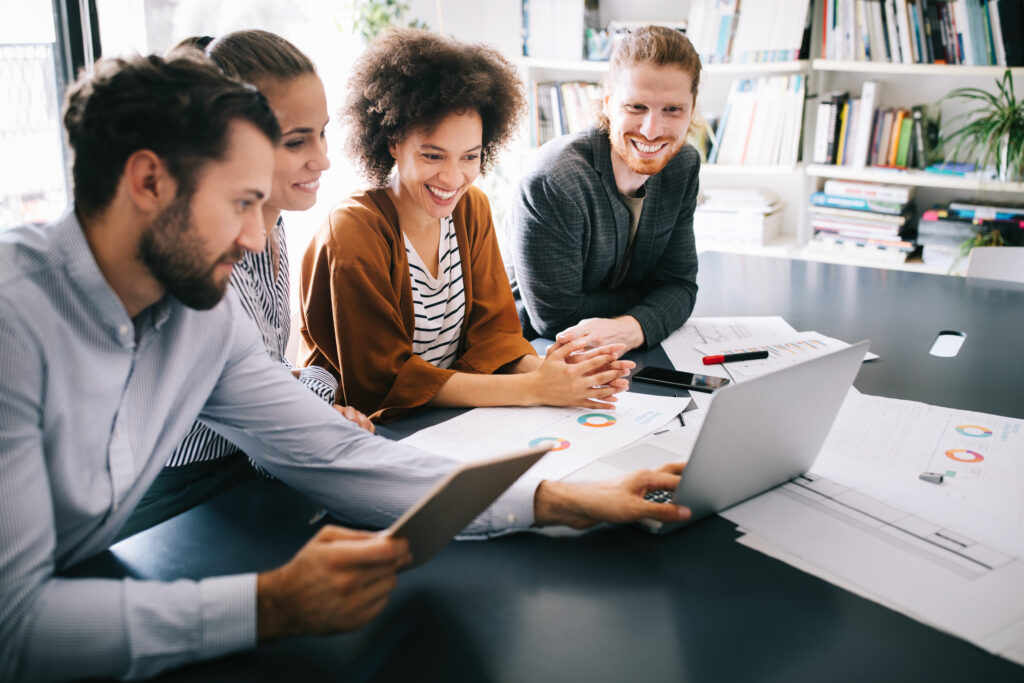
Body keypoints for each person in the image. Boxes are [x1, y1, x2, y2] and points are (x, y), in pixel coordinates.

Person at [0, 52, 690, 681]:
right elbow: (16, 629)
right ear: (148, 180)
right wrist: (267, 605)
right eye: (243, 204)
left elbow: (337, 454)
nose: (254, 239)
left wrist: (561, 500)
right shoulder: (15, 327)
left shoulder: (202, 316)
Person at [298, 29, 634, 421]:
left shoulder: (470, 208)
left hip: (452, 415)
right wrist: (533, 387)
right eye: (433, 156)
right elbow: (386, 381)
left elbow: (494, 336)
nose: (453, 178)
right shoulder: (354, 231)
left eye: (470, 156)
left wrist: (558, 373)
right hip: (372, 427)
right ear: (393, 141)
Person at [117, 30, 373, 541]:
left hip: (237, 470)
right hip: (170, 501)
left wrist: (312, 396)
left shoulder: (271, 220)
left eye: (322, 134)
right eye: (296, 141)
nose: (323, 159)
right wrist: (316, 404)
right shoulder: (198, 259)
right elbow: (267, 429)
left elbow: (268, 377)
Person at [510, 25, 701, 354]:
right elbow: (554, 318)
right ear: (609, 104)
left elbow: (680, 286)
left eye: (672, 109)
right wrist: (652, 298)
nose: (651, 130)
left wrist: (634, 327)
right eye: (636, 107)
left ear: (692, 109)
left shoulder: (682, 166)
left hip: (625, 349)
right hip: (539, 352)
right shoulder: (554, 180)